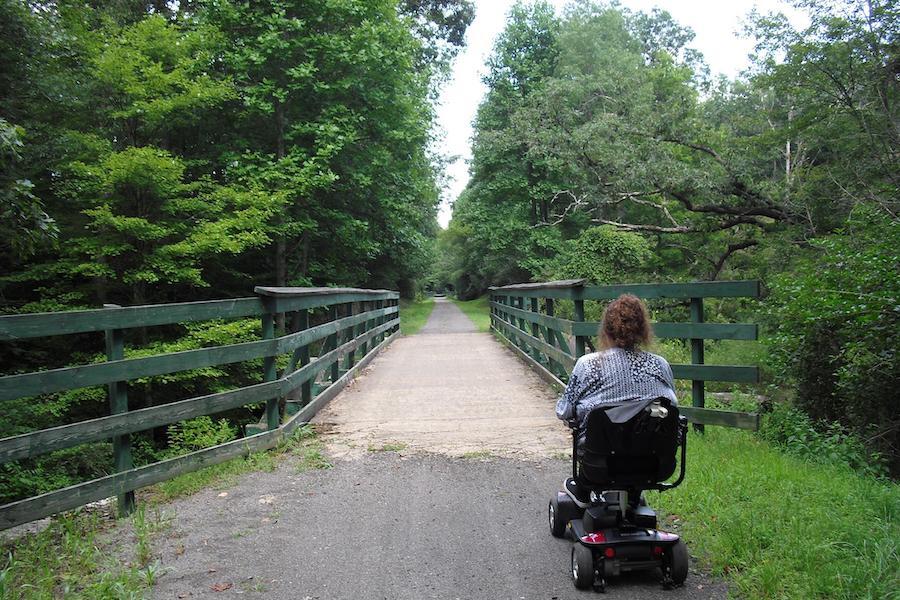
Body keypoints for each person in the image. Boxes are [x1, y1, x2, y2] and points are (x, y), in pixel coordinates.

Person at [555, 293, 677, 504]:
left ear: (606, 329)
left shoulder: (588, 365)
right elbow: (673, 407)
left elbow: (564, 410)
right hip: (656, 462)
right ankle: (634, 493)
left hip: (600, 462)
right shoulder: (660, 365)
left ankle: (584, 489)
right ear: (643, 329)